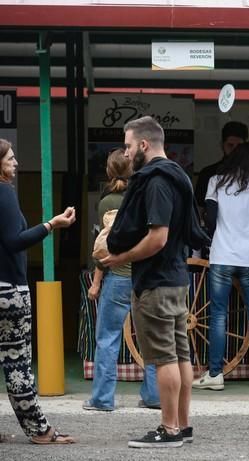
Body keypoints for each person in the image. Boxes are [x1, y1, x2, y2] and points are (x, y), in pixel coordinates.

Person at [102, 116, 209, 448]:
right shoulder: (178, 177)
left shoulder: (157, 181)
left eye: (129, 145)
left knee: (164, 358)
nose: (126, 150)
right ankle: (182, 425)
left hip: (158, 282)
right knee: (180, 356)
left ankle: (169, 429)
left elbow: (158, 238)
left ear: (144, 145)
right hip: (176, 279)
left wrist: (120, 257)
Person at [0, 138, 76, 444]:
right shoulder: (4, 192)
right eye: (10, 158)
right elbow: (14, 240)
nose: (16, 163)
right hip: (9, 291)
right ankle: (40, 430)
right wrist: (51, 225)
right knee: (17, 363)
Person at [192, 142, 249, 391]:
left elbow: (209, 220)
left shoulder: (216, 182)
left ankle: (216, 374)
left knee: (218, 315)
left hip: (222, 255)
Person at [83, 148, 160, 412]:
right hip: (144, 277)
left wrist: (95, 281)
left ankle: (103, 398)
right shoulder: (144, 195)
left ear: (108, 171)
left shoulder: (105, 202)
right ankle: (153, 396)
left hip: (117, 276)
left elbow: (104, 246)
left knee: (108, 338)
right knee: (150, 338)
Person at [194, 121, 249, 213]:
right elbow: (200, 209)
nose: (235, 150)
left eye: (239, 146)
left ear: (245, 146)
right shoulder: (209, 174)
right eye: (230, 145)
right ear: (222, 145)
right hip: (217, 227)